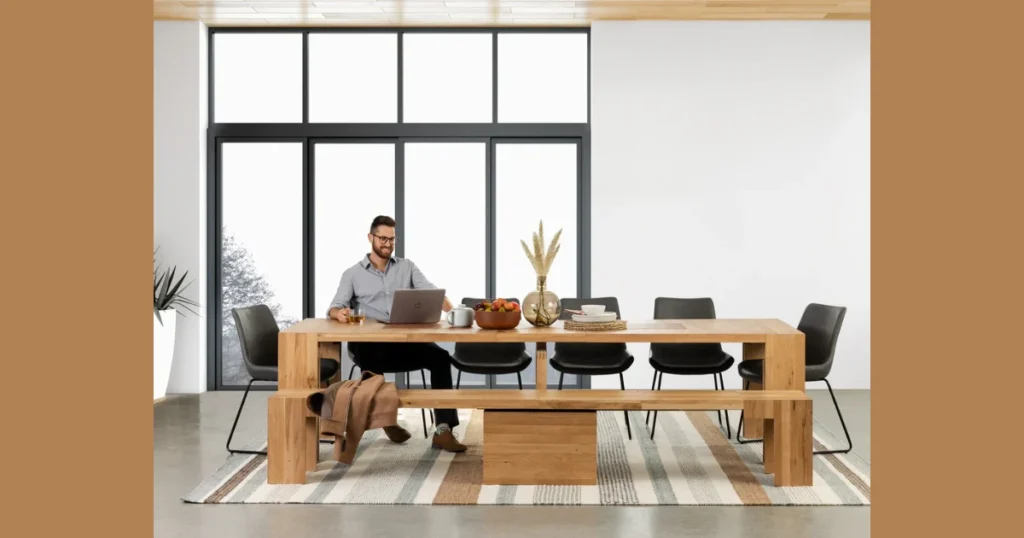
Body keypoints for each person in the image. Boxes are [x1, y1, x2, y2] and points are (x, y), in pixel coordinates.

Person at [326, 215, 467, 453]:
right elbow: (334, 306)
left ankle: (443, 429)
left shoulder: (407, 267)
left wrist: (454, 311)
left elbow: (432, 293)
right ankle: (385, 419)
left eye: (392, 239)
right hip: (369, 345)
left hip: (404, 341)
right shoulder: (352, 274)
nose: (388, 244)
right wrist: (338, 314)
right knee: (370, 359)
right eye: (383, 238)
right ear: (370, 238)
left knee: (441, 358)